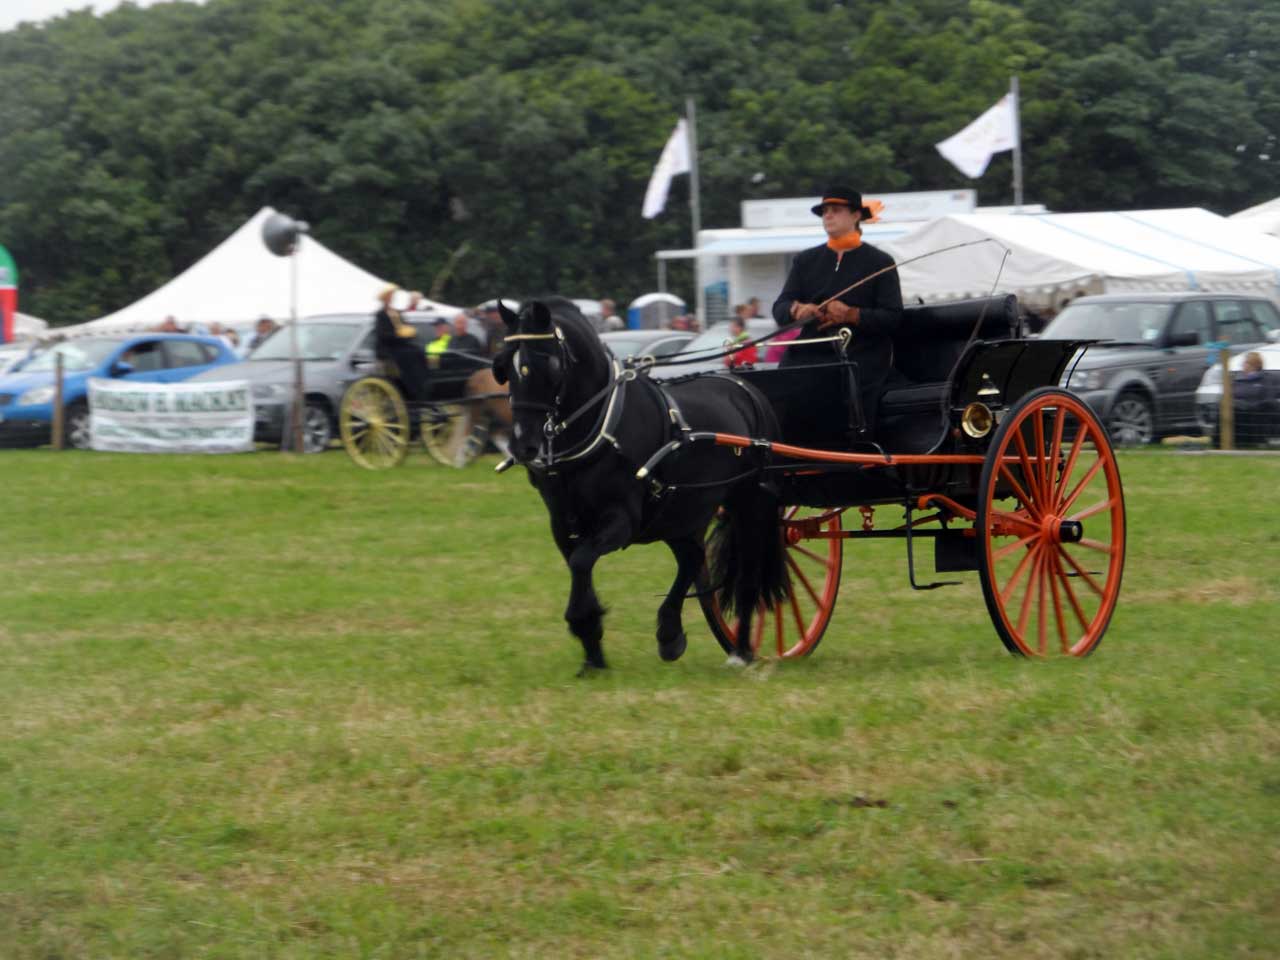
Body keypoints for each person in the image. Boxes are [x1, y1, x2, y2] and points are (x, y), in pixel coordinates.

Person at [771, 183, 902, 442]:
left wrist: (852, 314)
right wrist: (798, 310)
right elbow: (780, 307)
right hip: (809, 355)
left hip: (858, 356)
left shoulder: (880, 262)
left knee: (842, 387)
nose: (828, 216)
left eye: (836, 210)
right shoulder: (806, 260)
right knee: (781, 387)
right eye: (825, 211)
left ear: (856, 216)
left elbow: (893, 317)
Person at [374, 284, 429, 402]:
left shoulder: (397, 312)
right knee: (407, 356)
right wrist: (398, 334)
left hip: (401, 345)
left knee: (419, 351)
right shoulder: (380, 315)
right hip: (388, 348)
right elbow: (382, 335)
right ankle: (411, 387)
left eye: (392, 296)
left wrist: (410, 332)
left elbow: (405, 327)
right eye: (389, 296)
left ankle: (422, 382)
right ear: (385, 299)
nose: (391, 298)